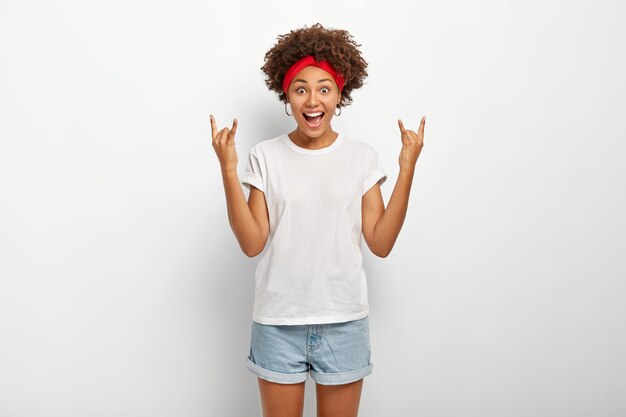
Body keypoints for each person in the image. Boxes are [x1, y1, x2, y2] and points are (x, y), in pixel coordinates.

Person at [210, 23, 425, 417]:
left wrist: (407, 167)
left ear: (339, 94)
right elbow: (252, 242)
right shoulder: (265, 156)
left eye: (324, 88)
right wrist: (228, 170)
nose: (313, 100)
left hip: (344, 322)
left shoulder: (361, 157)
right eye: (301, 89)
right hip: (278, 322)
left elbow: (380, 242)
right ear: (286, 95)